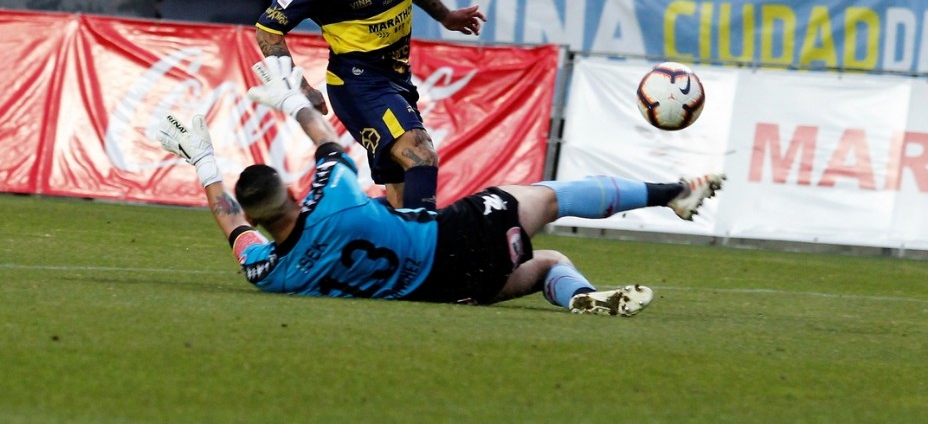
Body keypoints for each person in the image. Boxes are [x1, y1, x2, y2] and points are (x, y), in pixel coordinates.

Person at [157, 56, 726, 316]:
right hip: (454, 241)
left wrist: (203, 161)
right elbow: (323, 136)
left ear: (261, 220)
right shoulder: (331, 197)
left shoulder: (270, 272)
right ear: (288, 189)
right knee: (547, 197)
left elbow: (231, 223)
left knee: (549, 261)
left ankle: (580, 298)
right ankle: (672, 192)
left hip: (447, 293)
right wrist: (290, 99)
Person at [254, 0, 486, 212]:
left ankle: (392, 252)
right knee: (420, 153)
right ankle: (428, 248)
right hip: (359, 85)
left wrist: (446, 17)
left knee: (401, 190)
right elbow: (268, 28)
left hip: (398, 79)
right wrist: (300, 87)